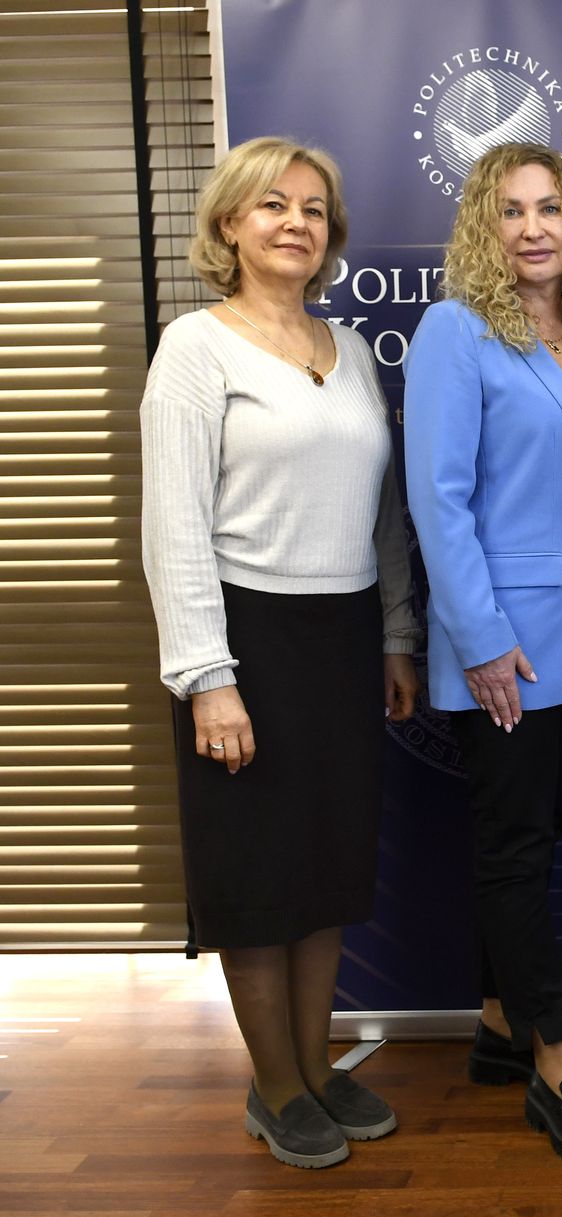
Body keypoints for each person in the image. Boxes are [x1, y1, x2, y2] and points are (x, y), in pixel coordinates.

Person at [140, 136, 421, 1169]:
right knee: (258, 877)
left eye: (312, 208)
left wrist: (395, 633)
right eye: (271, 204)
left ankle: (315, 1063)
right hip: (244, 639)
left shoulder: (350, 349)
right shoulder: (195, 348)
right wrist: (207, 679)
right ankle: (274, 1085)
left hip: (342, 637)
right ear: (228, 224)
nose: (295, 221)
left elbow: (383, 512)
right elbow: (172, 525)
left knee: (326, 867)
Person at [403, 142, 562, 1170]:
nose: (534, 227)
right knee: (515, 847)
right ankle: (557, 1058)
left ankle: (502, 1018)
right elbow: (439, 499)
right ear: (484, 227)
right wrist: (481, 640)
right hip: (507, 644)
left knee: (539, 835)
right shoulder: (456, 332)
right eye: (510, 210)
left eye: (550, 207)